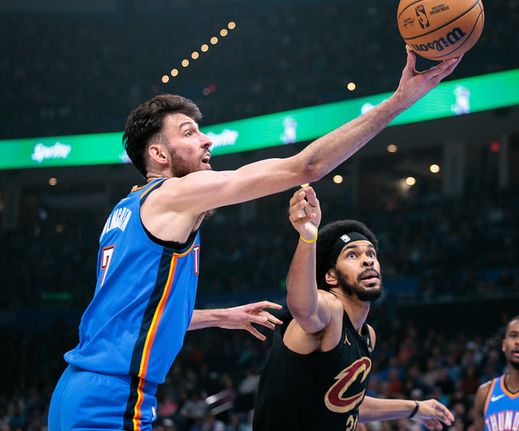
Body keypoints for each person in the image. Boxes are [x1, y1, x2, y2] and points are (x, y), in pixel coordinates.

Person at [48, 49, 462, 431]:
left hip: (79, 389)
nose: (206, 140)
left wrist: (219, 316)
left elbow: (131, 314)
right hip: (112, 399)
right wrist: (399, 101)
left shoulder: (126, 210)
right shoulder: (173, 194)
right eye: (189, 133)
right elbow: (306, 166)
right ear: (159, 155)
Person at [253, 186, 455, 430]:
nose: (368, 260)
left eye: (371, 254)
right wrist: (307, 237)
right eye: (352, 255)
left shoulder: (368, 335)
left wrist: (414, 408)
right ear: (331, 277)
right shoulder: (329, 309)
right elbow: (302, 307)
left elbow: (347, 403)